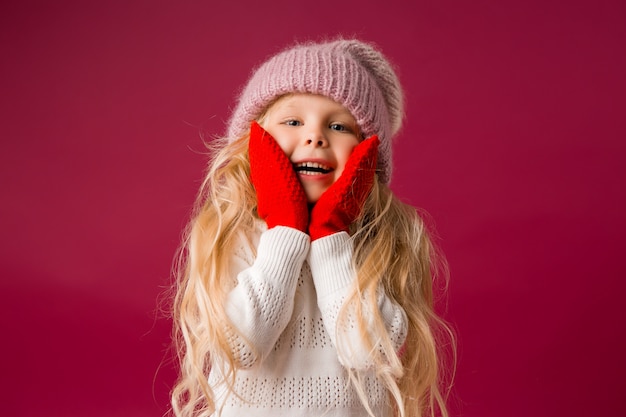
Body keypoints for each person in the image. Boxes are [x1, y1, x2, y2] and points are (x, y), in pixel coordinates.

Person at [171, 38, 454, 417]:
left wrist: (332, 236)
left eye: (338, 126)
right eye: (292, 121)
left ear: (368, 154)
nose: (315, 137)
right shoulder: (233, 233)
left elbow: (367, 351)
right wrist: (286, 230)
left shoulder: (379, 241)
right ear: (255, 141)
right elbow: (239, 347)